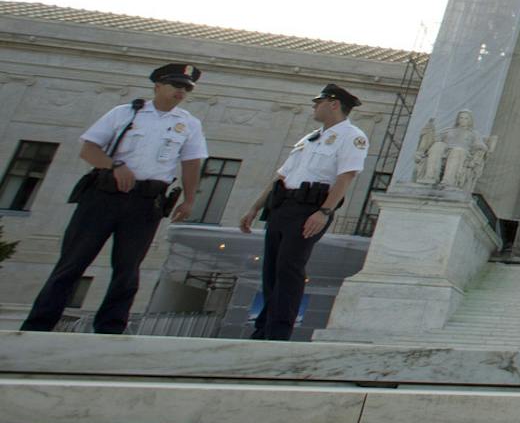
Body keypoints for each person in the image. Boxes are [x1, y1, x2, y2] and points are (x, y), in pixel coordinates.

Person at [21, 63, 207, 334]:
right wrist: (114, 166)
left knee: (128, 268)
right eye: (176, 85)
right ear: (157, 86)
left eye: (186, 88)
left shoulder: (188, 124)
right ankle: (39, 324)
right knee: (73, 261)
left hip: (147, 201)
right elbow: (89, 149)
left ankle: (111, 327)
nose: (181, 92)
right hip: (104, 196)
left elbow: (191, 163)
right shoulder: (125, 114)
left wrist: (189, 200)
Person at [238, 82, 368, 340]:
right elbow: (281, 176)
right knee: (272, 270)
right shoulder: (309, 138)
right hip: (282, 205)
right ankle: (263, 328)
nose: (314, 106)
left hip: (310, 209)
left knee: (290, 268)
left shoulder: (352, 136)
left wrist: (324, 212)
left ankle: (278, 332)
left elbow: (346, 177)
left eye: (318, 102)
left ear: (334, 104)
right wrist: (255, 207)